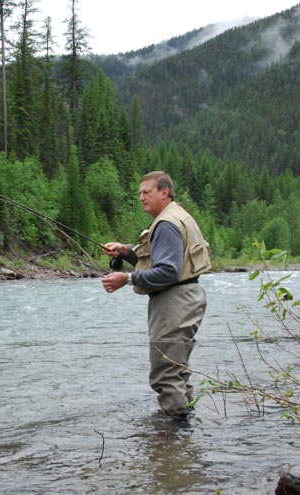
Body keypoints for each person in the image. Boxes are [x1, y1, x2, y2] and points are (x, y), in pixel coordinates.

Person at [101, 171, 211, 418]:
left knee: (166, 372)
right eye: (139, 192)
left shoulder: (166, 224)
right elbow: (166, 260)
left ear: (164, 192)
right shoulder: (177, 215)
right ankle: (184, 434)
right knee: (178, 370)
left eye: (146, 192)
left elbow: (168, 271)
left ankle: (172, 438)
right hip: (188, 296)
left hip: (175, 301)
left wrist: (126, 278)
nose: (141, 197)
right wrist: (126, 251)